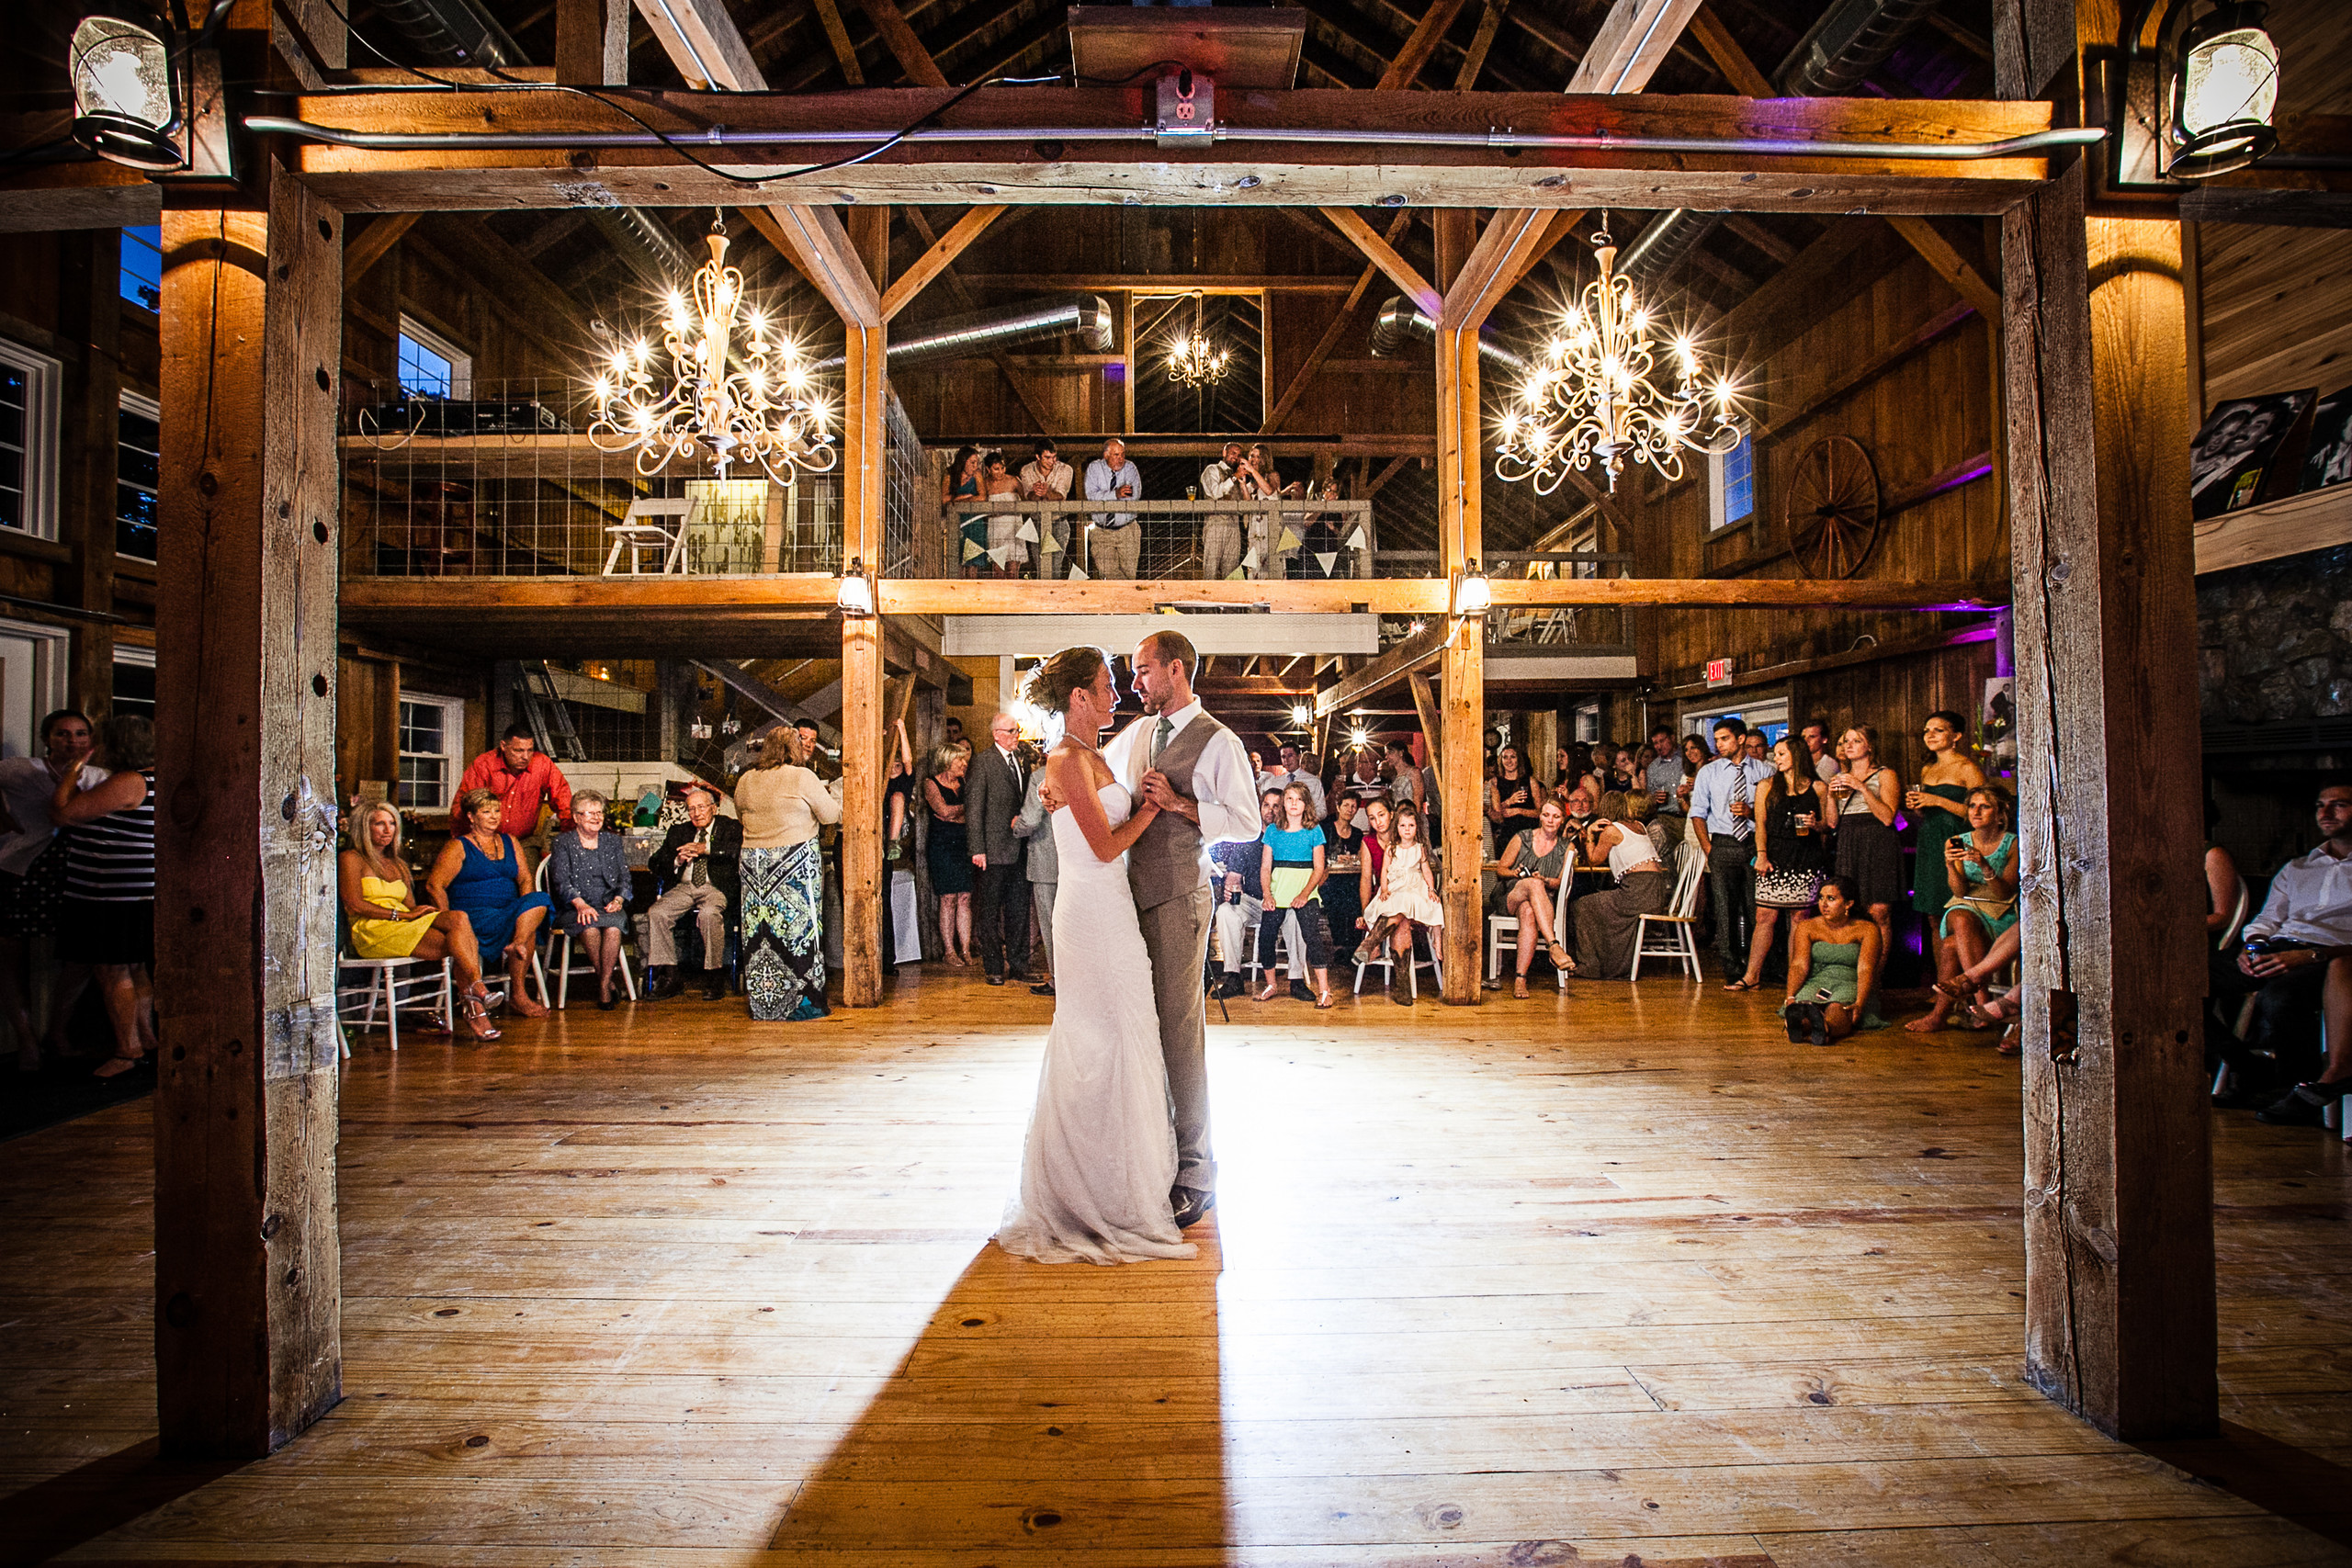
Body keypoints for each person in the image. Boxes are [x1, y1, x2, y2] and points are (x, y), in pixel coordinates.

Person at [992, 644, 1198, 1265]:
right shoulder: (1064, 757)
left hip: (1112, 910)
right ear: (1079, 696)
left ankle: (1120, 1182)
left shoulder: (1091, 756)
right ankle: (1084, 1189)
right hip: (1089, 911)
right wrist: (1153, 809)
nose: (1117, 693)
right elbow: (1106, 847)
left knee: (1125, 1032)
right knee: (1094, 1036)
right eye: (1107, 685)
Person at [2221, 783, 2352, 1127]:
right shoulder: (2298, 867)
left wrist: (2310, 955)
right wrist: (2252, 946)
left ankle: (2292, 1088)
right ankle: (2249, 1067)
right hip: (2274, 946)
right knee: (2178, 980)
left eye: (2339, 805)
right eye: (2320, 805)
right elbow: (2266, 918)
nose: (2324, 814)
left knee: (2280, 998)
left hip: (2331, 956)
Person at [51, 716, 157, 1078]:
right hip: (133, 891)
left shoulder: (130, 780)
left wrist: (72, 772)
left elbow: (63, 814)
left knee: (113, 969)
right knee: (135, 967)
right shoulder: (155, 777)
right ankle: (146, 1040)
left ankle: (127, 1051)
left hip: (112, 892)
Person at [343, 801, 500, 1038]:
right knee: (461, 945)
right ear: (364, 827)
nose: (388, 830)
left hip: (403, 925)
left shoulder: (398, 864)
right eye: (380, 824)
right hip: (372, 931)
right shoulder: (351, 858)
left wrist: (418, 912)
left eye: (392, 823)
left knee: (458, 921)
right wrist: (402, 915)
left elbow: (410, 907)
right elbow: (353, 903)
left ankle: (477, 992)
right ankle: (476, 1002)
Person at [0, 709, 101, 1071]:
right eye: (62, 733)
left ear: (91, 740)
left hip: (77, 871)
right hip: (22, 869)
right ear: (47, 738)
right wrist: (7, 821)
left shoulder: (98, 777)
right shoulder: (20, 770)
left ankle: (58, 1032)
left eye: (79, 733)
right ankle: (26, 1040)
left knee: (83, 953)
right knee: (12, 954)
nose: (72, 740)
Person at [735, 725, 843, 1021]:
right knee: (801, 934)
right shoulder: (802, 777)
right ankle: (805, 1005)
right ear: (794, 749)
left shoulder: (746, 780)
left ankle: (764, 1005)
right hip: (795, 865)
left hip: (754, 867)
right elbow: (831, 815)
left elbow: (739, 812)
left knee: (760, 935)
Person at [428, 788, 554, 1018]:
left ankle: (517, 959)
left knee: (539, 900)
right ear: (471, 816)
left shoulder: (510, 841)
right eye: (486, 811)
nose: (495, 816)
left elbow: (525, 878)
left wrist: (524, 906)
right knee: (528, 929)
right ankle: (518, 990)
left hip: (506, 912)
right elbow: (434, 885)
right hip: (471, 916)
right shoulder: (458, 846)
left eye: (497, 810)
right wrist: (447, 920)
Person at [1907, 788, 2019, 1034]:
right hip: (1966, 904)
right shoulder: (1958, 840)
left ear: (2001, 814)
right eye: (1972, 806)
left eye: (1985, 806)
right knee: (1959, 915)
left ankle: (1940, 1015)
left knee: (1950, 946)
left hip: (2001, 912)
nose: (1976, 812)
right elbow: (1958, 890)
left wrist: (1983, 864)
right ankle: (1983, 1002)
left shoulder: (2012, 843)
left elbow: (2003, 893)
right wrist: (1949, 864)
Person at [1728, 736, 1835, 993]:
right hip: (1774, 855)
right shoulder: (1766, 785)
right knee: (1764, 915)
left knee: (1800, 918)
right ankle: (1751, 975)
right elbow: (1760, 824)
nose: (1775, 759)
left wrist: (1815, 824)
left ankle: (1795, 977)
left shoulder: (1819, 788)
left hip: (1806, 857)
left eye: (1781, 754)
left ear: (1796, 756)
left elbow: (1828, 827)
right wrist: (1762, 854)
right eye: (1775, 754)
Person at [1689, 717, 1774, 980]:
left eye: (1724, 738)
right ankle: (1731, 966)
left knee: (1754, 906)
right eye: (1716, 740)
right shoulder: (1708, 772)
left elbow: (1773, 813)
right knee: (1724, 907)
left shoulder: (1764, 771)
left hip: (1753, 841)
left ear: (1740, 740)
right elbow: (1698, 813)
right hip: (1722, 841)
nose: (1719, 744)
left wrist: (1751, 813)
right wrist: (1708, 849)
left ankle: (1756, 965)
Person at [644, 786, 741, 1002]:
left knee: (708, 914)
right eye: (691, 809)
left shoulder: (729, 827)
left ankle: (715, 976)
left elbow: (737, 851)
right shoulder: (679, 831)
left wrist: (704, 849)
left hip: (716, 887)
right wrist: (678, 860)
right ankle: (670, 976)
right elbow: (655, 862)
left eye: (701, 808)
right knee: (657, 913)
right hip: (685, 887)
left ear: (713, 809)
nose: (696, 814)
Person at [966, 711, 1035, 987]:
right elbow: (974, 808)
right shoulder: (983, 762)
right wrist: (977, 848)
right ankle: (993, 967)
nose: (1016, 735)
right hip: (992, 850)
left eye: (1017, 731)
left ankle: (1019, 965)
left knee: (1019, 909)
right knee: (990, 911)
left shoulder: (1020, 760)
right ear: (996, 734)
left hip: (1019, 847)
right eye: (1010, 731)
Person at [1571, 792, 1669, 979]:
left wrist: (1590, 833)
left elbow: (1594, 860)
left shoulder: (1612, 830)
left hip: (1638, 892)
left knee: (1582, 905)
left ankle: (1590, 965)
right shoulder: (1639, 826)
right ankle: (1600, 961)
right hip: (1655, 891)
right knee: (1599, 902)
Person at [548, 790, 632, 1010]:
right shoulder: (562, 842)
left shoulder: (612, 841)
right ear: (576, 817)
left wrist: (619, 899)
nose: (596, 818)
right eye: (589, 813)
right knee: (590, 927)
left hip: (607, 904)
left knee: (613, 928)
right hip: (575, 906)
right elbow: (561, 882)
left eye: (599, 813)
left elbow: (625, 877)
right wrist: (581, 904)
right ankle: (607, 984)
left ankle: (604, 984)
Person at [1906, 711, 1988, 932]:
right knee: (1933, 913)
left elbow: (1982, 813)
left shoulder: (1967, 768)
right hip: (1929, 840)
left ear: (1956, 736)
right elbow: (1927, 813)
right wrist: (1918, 808)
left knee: (1955, 907)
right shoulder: (1927, 769)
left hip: (1955, 838)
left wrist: (1937, 800)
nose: (1930, 735)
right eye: (1926, 731)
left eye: (1938, 730)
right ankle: (1940, 967)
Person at [1256, 783, 1335, 1007]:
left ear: (1306, 804)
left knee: (1312, 936)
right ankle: (1271, 984)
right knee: (1266, 936)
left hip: (1305, 890)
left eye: (1298, 799)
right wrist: (1267, 894)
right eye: (1289, 798)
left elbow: (1319, 868)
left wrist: (1305, 894)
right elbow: (1265, 867)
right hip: (1278, 889)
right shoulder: (1273, 831)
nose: (1293, 803)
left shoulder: (1314, 831)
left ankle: (1325, 990)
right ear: (1283, 803)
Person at [1781, 875, 1885, 1044]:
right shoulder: (1807, 926)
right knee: (1806, 1004)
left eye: (1831, 899)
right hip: (1817, 980)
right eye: (1821, 898)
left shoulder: (1867, 929)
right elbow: (1799, 965)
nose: (1823, 904)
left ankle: (1826, 1028)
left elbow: (1866, 968)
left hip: (1850, 981)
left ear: (1848, 904)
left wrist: (1860, 1002)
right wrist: (1791, 997)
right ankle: (1800, 1026)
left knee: (1838, 1007)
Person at [1828, 725, 1904, 957]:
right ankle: (1854, 970)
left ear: (1870, 746)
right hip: (1848, 838)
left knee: (1879, 910)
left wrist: (1862, 788)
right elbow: (1832, 823)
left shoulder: (1886, 774)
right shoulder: (1838, 777)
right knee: (1850, 908)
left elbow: (1888, 817)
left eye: (1856, 741)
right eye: (1845, 741)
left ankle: (1877, 974)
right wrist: (1830, 796)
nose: (1848, 745)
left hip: (1878, 839)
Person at [1359, 801, 1442, 1004]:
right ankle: (1403, 985)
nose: (1377, 821)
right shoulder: (1373, 844)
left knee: (1402, 913)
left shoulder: (1416, 846)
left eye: (1381, 815)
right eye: (1372, 818)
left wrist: (1431, 890)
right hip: (1389, 895)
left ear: (1392, 815)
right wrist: (1364, 912)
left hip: (1414, 896)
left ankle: (1371, 943)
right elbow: (1366, 878)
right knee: (1400, 916)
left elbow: (1428, 871)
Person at [1493, 795, 1574, 996]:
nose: (1550, 820)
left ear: (1562, 819)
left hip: (1541, 902)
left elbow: (1560, 882)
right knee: (1532, 884)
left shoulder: (1567, 847)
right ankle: (1553, 946)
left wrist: (1544, 879)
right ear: (1540, 816)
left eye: (1555, 816)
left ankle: (1520, 980)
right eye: (1546, 815)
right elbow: (1501, 869)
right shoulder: (1523, 837)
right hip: (1511, 893)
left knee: (1529, 911)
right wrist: (1517, 873)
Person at [1207, 788, 1280, 1000]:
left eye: (1276, 806)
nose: (1271, 810)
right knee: (1225, 911)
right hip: (1254, 900)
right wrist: (1231, 890)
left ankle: (1296, 979)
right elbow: (1234, 877)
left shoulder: (1287, 837)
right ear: (1260, 808)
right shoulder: (1249, 839)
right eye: (1266, 805)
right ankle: (1232, 976)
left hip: (1282, 901)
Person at [454, 723, 572, 839]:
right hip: (484, 840)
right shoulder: (484, 765)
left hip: (524, 841)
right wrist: (464, 844)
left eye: (530, 750)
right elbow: (462, 808)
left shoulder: (543, 765)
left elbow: (563, 800)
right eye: (519, 751)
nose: (525, 757)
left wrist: (571, 835)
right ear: (503, 746)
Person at [1012, 761, 1061, 998]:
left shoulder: (1042, 775)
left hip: (1046, 858)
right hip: (1080, 859)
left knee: (1051, 925)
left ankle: (1057, 980)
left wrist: (1016, 827)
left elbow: (1030, 819)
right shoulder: (1089, 769)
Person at [924, 741, 975, 966]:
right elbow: (942, 810)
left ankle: (965, 950)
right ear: (947, 761)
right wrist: (964, 809)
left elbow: (955, 812)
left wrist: (955, 812)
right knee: (947, 898)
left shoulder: (965, 783)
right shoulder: (931, 783)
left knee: (965, 896)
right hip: (942, 845)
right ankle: (949, 950)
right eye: (959, 760)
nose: (964, 763)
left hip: (964, 843)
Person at [1084, 437, 1143, 580]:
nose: (1121, 459)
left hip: (1127, 530)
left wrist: (1104, 497)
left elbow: (1133, 496)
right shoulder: (1094, 468)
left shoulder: (1130, 468)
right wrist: (1115, 494)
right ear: (1106, 455)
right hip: (1101, 531)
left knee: (1130, 574)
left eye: (1123, 454)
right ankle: (1126, 594)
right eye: (1116, 455)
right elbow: (1091, 496)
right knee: (1108, 572)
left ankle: (1126, 597)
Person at [1018, 438, 1074, 578]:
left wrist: (1046, 493)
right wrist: (1036, 493)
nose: (1052, 461)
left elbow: (1061, 495)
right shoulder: (1026, 470)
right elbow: (1028, 496)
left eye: (1054, 457)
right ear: (1037, 457)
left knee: (1055, 566)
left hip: (1058, 521)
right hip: (1037, 523)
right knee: (1040, 566)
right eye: (1047, 458)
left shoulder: (1065, 469)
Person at [1199, 440, 1248, 581]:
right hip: (1215, 524)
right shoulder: (1212, 470)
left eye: (1239, 455)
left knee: (1232, 570)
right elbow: (1215, 493)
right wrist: (1234, 477)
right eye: (1233, 453)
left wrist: (1243, 485)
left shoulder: (1239, 477)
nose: (1236, 457)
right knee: (1211, 568)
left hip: (1233, 526)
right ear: (1224, 453)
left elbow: (1243, 506)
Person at [1487, 744, 1542, 852]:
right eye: (1505, 757)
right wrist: (1509, 802)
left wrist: (1519, 811)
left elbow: (1540, 812)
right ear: (1500, 760)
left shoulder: (1531, 782)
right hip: (1506, 835)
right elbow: (1493, 813)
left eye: (1513, 757)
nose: (1509, 761)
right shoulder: (1494, 782)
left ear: (1519, 760)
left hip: (1528, 834)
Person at [981, 449, 1024, 578]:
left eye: (1002, 468)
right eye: (996, 469)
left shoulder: (1014, 481)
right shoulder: (984, 484)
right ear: (988, 469)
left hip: (1014, 528)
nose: (1001, 472)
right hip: (996, 529)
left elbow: (1026, 501)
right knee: (998, 571)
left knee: (1012, 571)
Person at [1258, 742, 1326, 823]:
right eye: (1283, 757)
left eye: (1290, 755)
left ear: (1299, 757)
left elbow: (1322, 810)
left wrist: (1305, 820)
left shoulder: (1313, 781)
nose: (1286, 760)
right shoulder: (1275, 782)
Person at [946, 444, 986, 579]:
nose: (975, 466)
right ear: (963, 461)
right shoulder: (950, 475)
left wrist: (958, 502)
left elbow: (982, 497)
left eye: (977, 463)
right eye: (973, 462)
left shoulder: (977, 475)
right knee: (958, 560)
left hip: (974, 522)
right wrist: (964, 497)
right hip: (957, 522)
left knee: (973, 562)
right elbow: (944, 498)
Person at [1642, 728, 1682, 815]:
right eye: (1656, 743)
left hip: (1689, 815)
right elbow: (1650, 797)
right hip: (1665, 816)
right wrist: (1654, 798)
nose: (1659, 746)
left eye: (1662, 741)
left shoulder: (1687, 759)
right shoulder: (1653, 767)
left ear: (1672, 738)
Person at [1800, 718, 1841, 784]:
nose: (1806, 740)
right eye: (1803, 737)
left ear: (1824, 739)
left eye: (1812, 736)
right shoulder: (1801, 763)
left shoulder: (1828, 765)